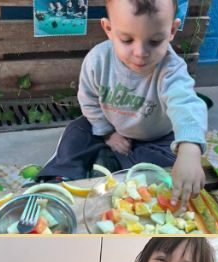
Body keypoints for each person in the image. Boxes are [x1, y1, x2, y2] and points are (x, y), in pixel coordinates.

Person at [37, 0, 206, 209]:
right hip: (110, 125)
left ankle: (112, 166)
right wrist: (107, 133)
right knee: (76, 132)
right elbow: (88, 99)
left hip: (156, 137)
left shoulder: (171, 69)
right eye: (126, 39)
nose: (140, 52)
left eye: (154, 41)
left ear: (171, 30)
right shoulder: (98, 60)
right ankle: (60, 177)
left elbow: (186, 104)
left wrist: (190, 150)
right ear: (109, 29)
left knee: (167, 165)